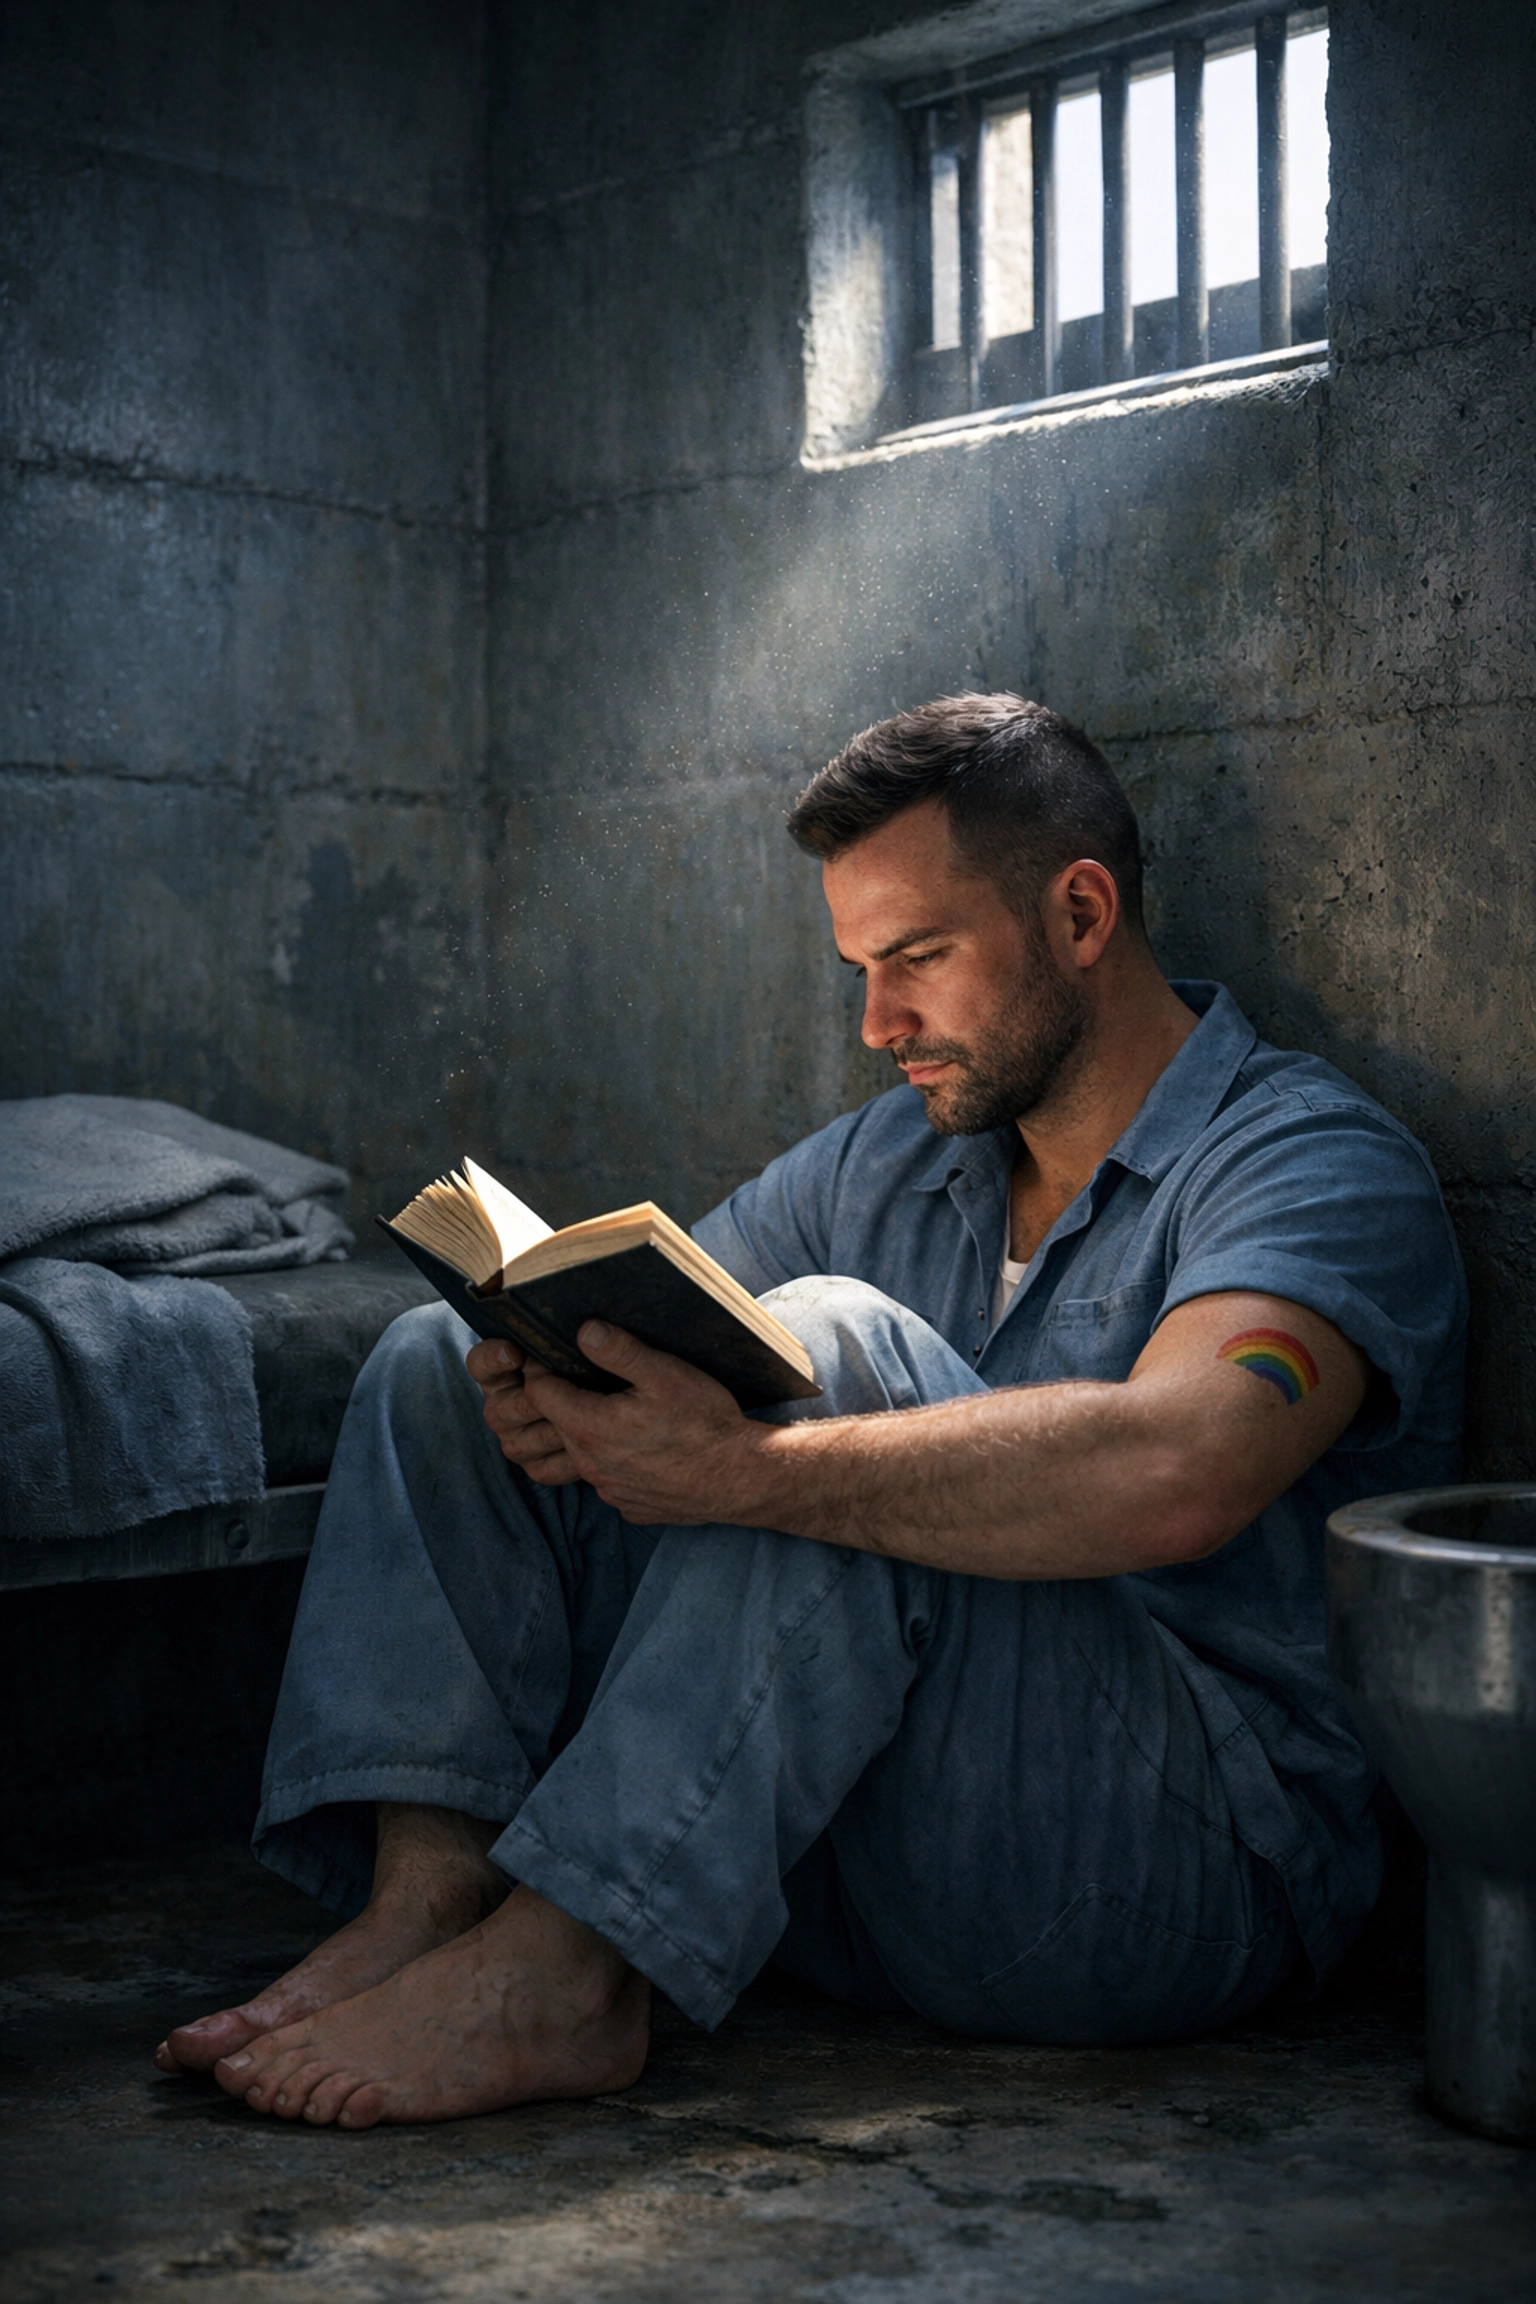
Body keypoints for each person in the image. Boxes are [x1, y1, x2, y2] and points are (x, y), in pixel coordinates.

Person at [156, 694, 1466, 2130]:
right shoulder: (891, 1159)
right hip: (857, 1854)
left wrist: (737, 1469)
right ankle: (434, 1900)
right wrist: (559, 1401)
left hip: (1162, 1876)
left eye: (918, 959)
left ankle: (568, 1971)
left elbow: (1189, 1465)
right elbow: (672, 1349)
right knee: (430, 1355)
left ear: (1083, 915)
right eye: (859, 969)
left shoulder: (1310, 1160)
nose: (877, 1023)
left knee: (839, 1350)